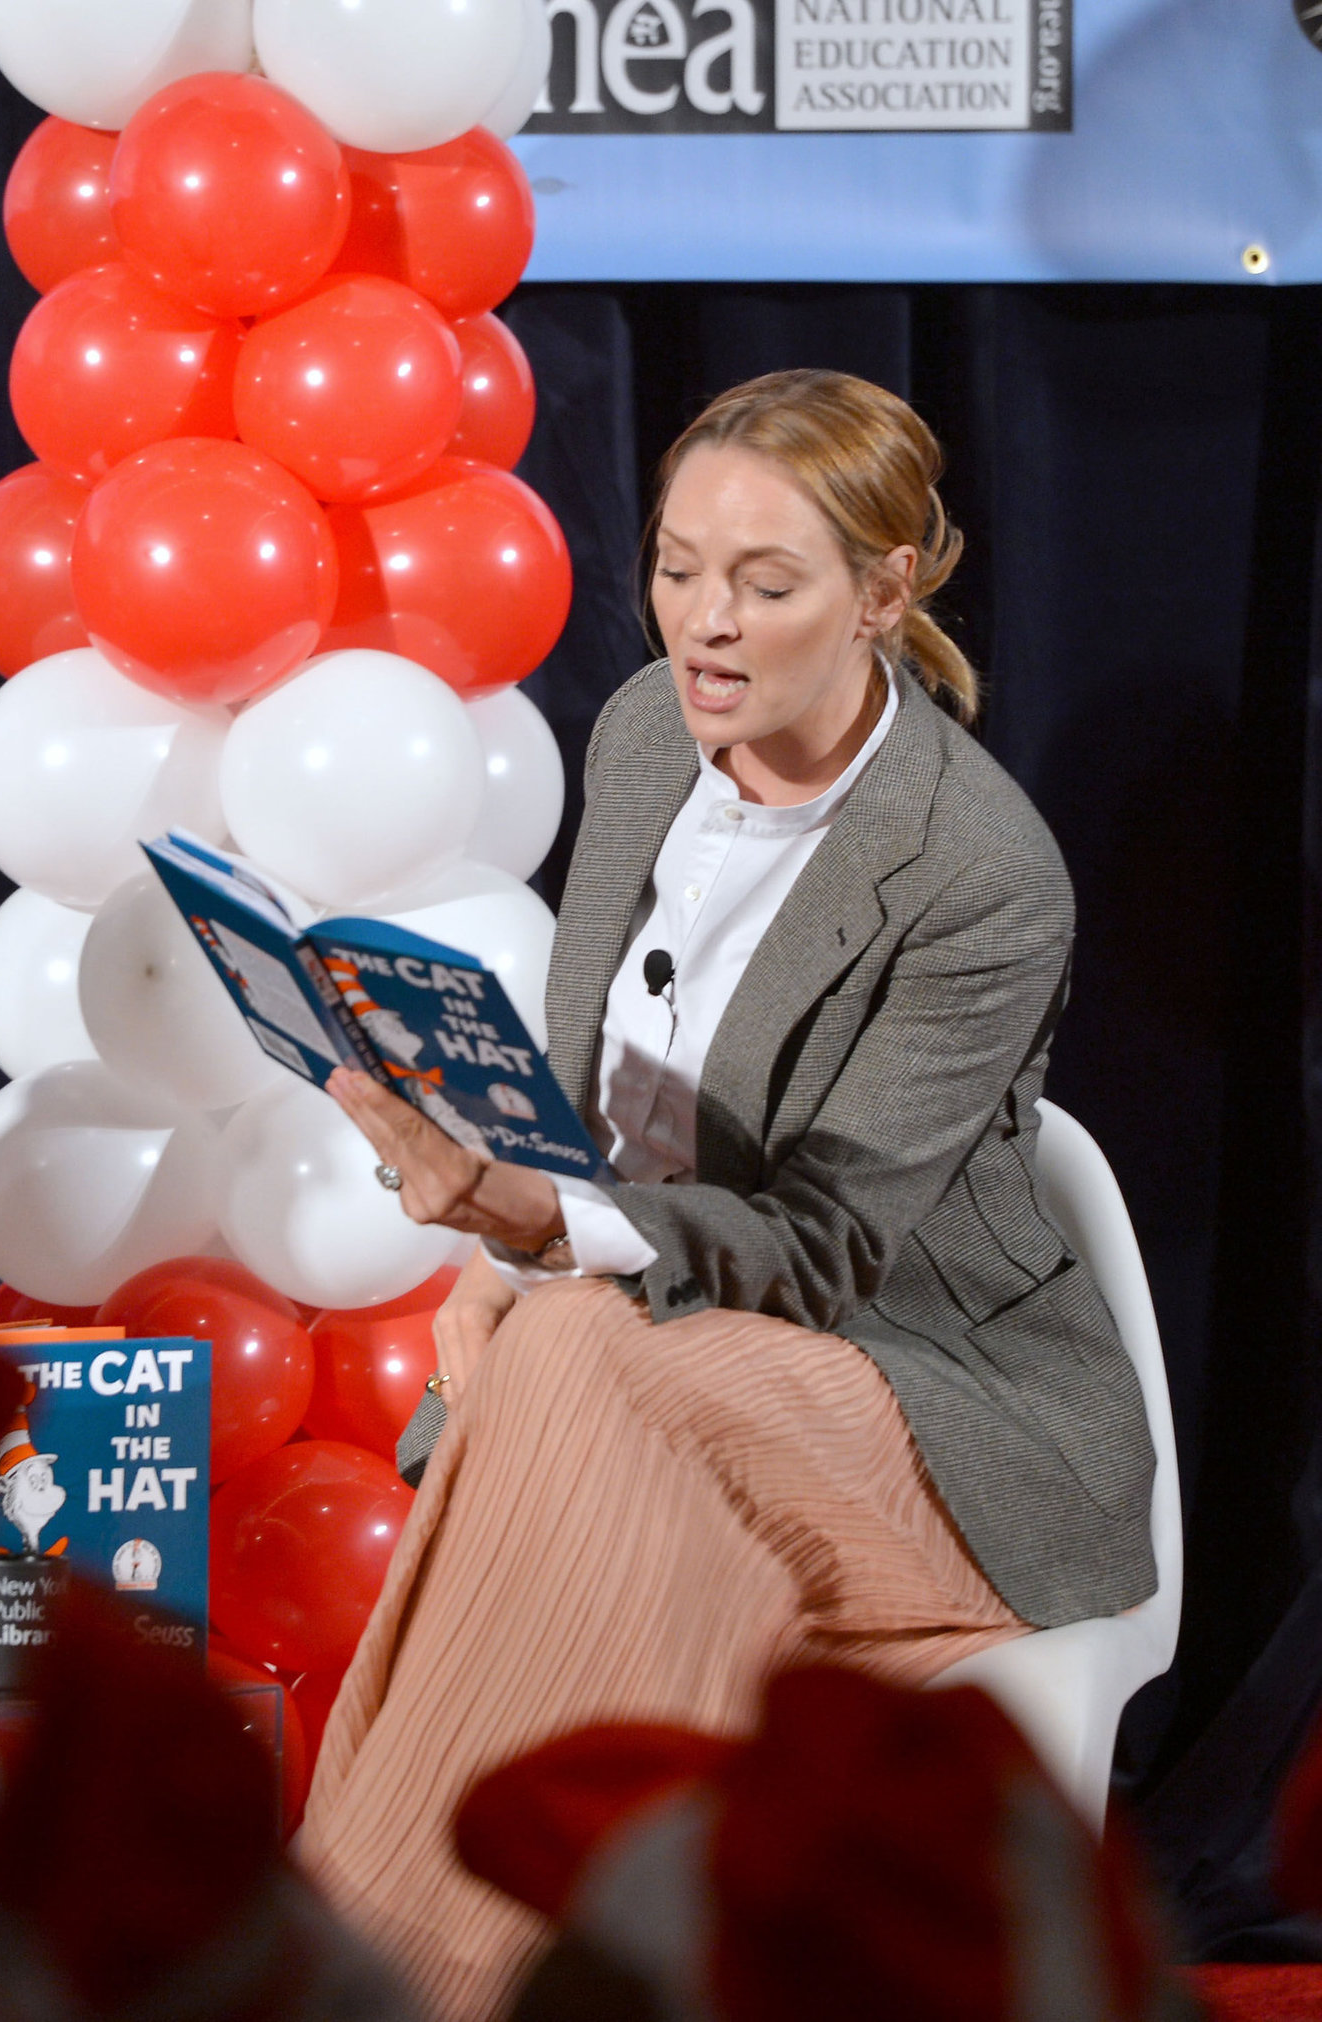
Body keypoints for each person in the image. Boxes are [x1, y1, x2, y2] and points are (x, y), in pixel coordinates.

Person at [300, 369, 1158, 2020]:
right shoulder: (641, 733)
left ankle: (374, 1968)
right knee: (553, 1363)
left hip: (935, 1400)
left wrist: (546, 1241)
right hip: (658, 1355)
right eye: (680, 565)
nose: (703, 620)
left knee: (565, 1368)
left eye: (765, 584)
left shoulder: (978, 874)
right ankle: (426, 1963)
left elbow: (832, 1243)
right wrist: (513, 1245)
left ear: (885, 591)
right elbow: (590, 1109)